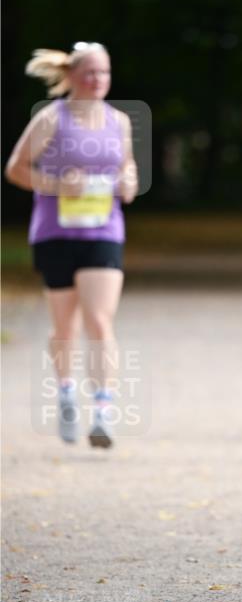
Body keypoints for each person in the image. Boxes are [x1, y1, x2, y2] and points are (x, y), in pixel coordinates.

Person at [5, 42, 138, 447]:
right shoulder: (51, 119)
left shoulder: (119, 121)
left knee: (100, 320)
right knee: (65, 326)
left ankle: (102, 411)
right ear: (73, 76)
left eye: (105, 73)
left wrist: (128, 182)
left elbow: (126, 166)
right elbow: (15, 169)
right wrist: (58, 184)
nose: (98, 80)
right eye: (91, 73)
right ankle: (65, 392)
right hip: (56, 233)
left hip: (103, 232)